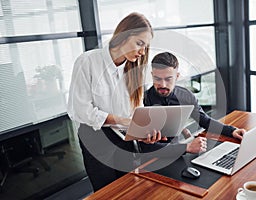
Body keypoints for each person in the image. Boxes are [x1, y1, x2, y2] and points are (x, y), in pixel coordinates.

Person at [67, 12, 164, 192]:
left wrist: (144, 130)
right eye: (139, 43)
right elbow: (80, 111)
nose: (143, 52)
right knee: (107, 192)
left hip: (124, 137)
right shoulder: (87, 62)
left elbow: (136, 109)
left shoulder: (135, 70)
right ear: (123, 35)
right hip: (95, 137)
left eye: (146, 46)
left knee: (129, 187)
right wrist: (123, 121)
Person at [143, 52, 245, 144]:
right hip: (154, 154)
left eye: (168, 79)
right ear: (152, 75)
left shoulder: (186, 96)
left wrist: (232, 131)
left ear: (177, 76)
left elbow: (205, 121)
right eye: (157, 79)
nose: (163, 84)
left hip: (181, 149)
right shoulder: (143, 100)